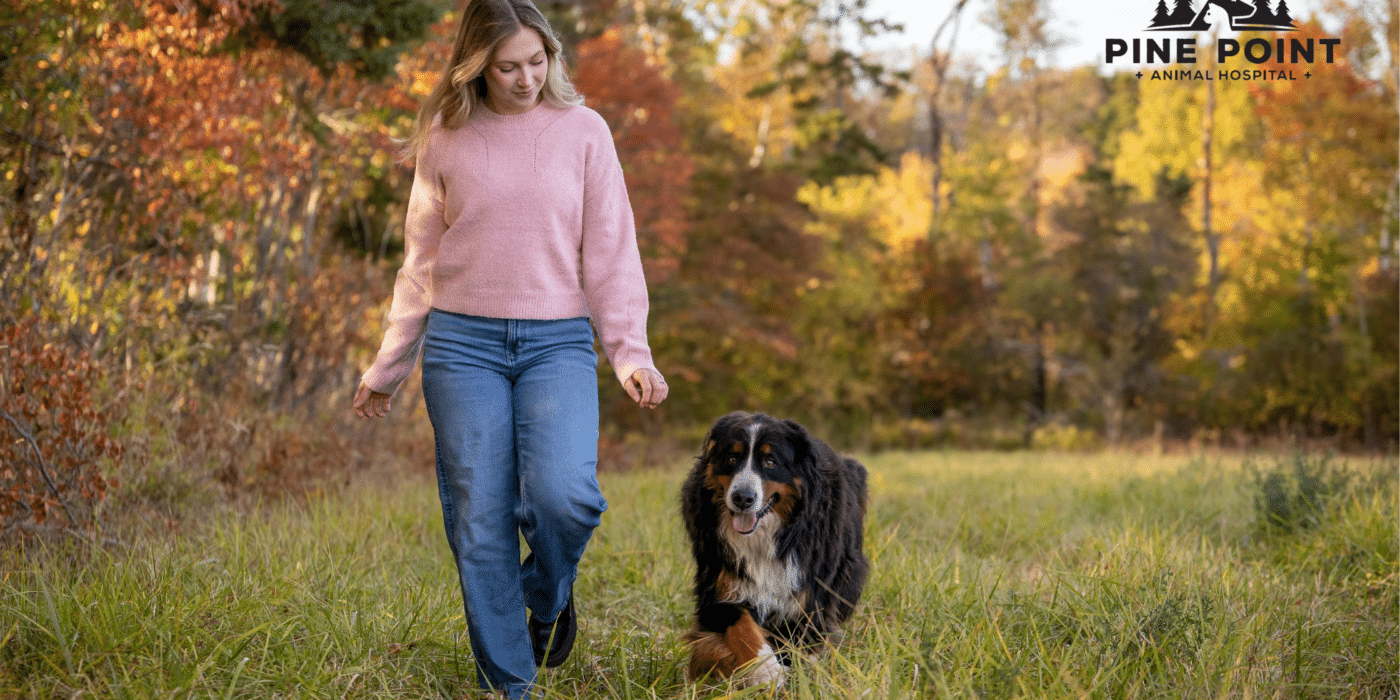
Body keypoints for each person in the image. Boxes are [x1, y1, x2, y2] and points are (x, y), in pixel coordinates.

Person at [352, 0, 667, 696]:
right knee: (479, 518)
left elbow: (611, 252)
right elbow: (419, 263)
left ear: (551, 55)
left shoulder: (585, 132)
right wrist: (389, 365)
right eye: (508, 67)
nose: (527, 78)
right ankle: (510, 684)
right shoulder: (446, 139)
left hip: (557, 342)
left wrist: (630, 353)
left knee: (566, 498)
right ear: (476, 67)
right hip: (463, 346)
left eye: (538, 61)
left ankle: (546, 596)